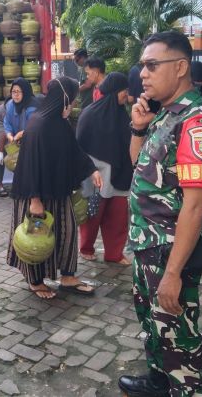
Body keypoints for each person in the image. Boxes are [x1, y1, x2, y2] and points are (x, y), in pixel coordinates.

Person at [120, 30, 202, 397]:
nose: (143, 74)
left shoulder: (197, 123)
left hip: (170, 252)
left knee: (178, 336)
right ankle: (159, 381)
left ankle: (185, 389)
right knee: (154, 325)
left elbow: (196, 205)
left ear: (180, 67)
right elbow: (139, 165)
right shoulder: (166, 114)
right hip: (148, 246)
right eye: (142, 66)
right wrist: (137, 127)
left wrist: (173, 273)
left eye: (152, 65)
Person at [7, 76, 103, 300]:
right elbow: (30, 164)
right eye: (73, 99)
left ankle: (68, 277)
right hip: (36, 193)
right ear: (64, 98)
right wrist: (35, 200)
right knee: (36, 238)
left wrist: (91, 169)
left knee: (67, 232)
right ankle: (35, 281)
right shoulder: (38, 125)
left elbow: (74, 150)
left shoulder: (60, 123)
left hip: (58, 190)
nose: (74, 104)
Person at [76, 72, 133, 265]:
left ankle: (114, 253)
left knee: (117, 215)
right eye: (124, 90)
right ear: (115, 91)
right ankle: (86, 248)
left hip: (120, 173)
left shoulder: (122, 114)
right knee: (93, 214)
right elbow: (80, 146)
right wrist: (90, 170)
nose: (127, 94)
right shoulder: (90, 114)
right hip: (96, 175)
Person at [3, 78, 38, 144]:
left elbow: (33, 128)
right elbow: (7, 123)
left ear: (25, 92)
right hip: (16, 141)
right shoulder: (10, 104)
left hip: (32, 141)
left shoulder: (32, 107)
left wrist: (19, 135)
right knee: (10, 148)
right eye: (14, 91)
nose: (16, 94)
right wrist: (9, 135)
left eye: (19, 91)